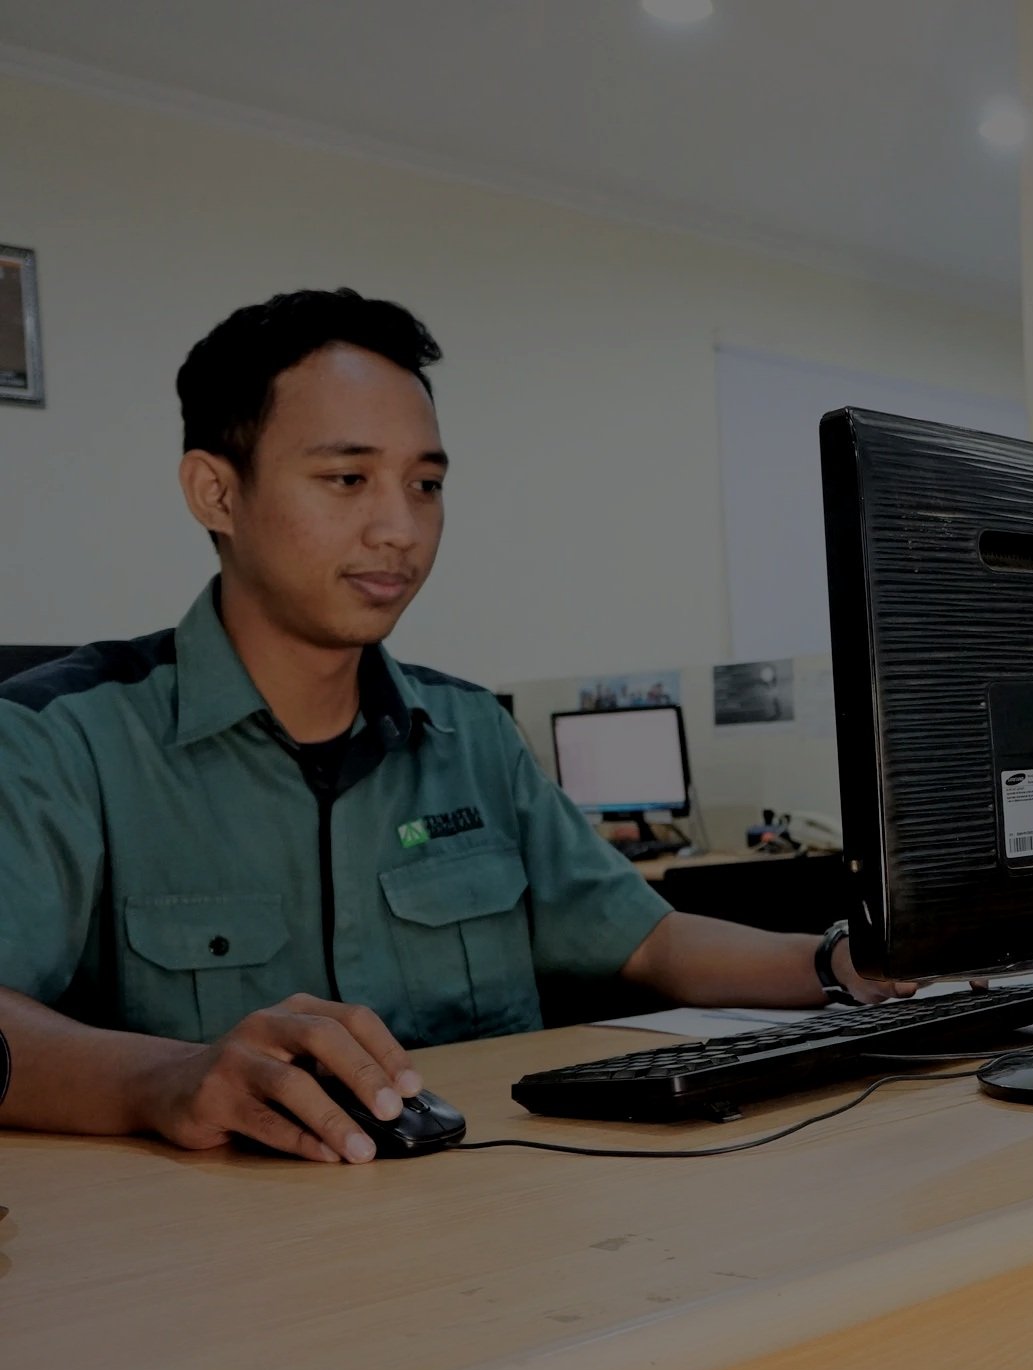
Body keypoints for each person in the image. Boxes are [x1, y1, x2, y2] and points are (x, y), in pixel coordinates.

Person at [0, 289, 902, 1165]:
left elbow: (649, 940)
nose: (401, 527)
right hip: (214, 1265)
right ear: (215, 492)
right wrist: (170, 1076)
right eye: (348, 478)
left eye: (425, 484)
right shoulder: (59, 742)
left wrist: (851, 961)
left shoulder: (472, 734)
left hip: (493, 1218)